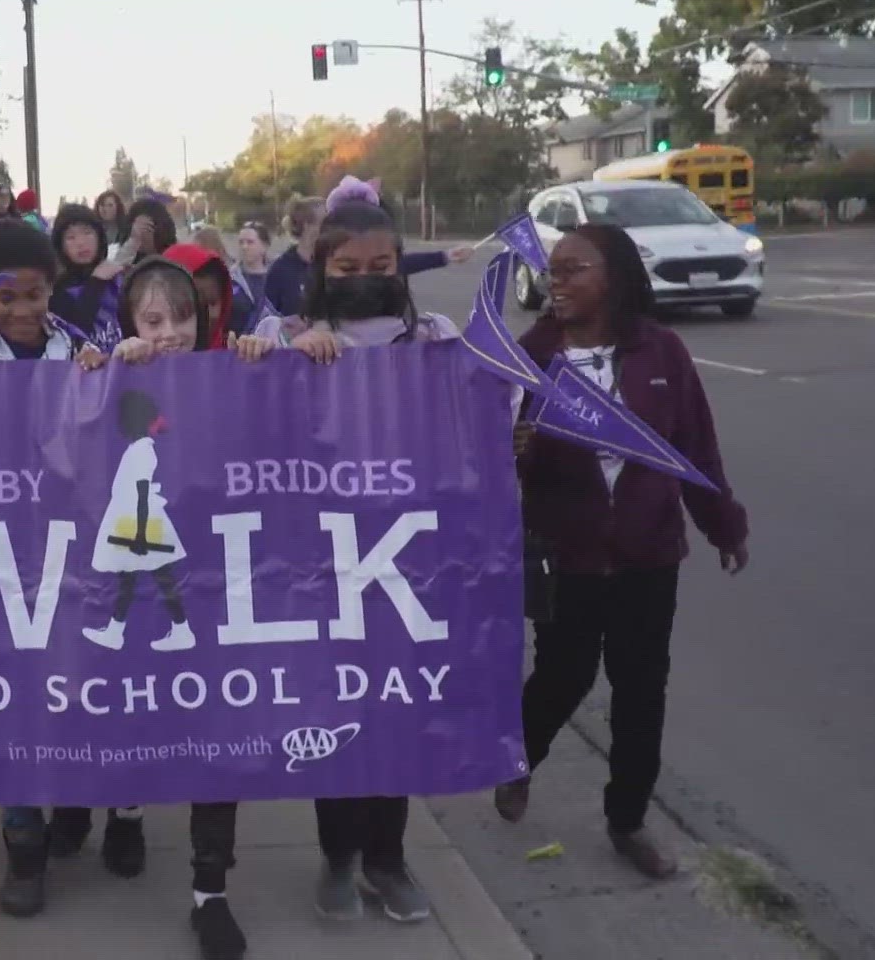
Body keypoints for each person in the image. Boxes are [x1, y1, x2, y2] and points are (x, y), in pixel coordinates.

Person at [493, 222, 750, 880]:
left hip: (648, 554)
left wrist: (723, 525)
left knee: (640, 690)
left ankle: (628, 820)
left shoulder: (660, 352)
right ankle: (517, 760)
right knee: (563, 675)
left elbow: (695, 446)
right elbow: (485, 456)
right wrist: (514, 451)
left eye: (573, 269)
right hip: (565, 554)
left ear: (614, 277)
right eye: (552, 270)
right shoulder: (531, 355)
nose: (556, 281)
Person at [250, 178, 461, 925]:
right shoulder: (282, 332)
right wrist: (280, 358)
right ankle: (338, 855)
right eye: (347, 269)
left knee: (397, 712)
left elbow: (477, 422)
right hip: (317, 566)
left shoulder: (433, 338)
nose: (365, 279)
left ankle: (386, 858)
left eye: (381, 267)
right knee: (332, 710)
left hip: (408, 567)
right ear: (320, 268)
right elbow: (241, 419)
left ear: (400, 266)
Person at [105, 256, 274, 960]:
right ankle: (126, 808)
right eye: (152, 319)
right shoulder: (114, 375)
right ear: (129, 322)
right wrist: (107, 369)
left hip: (216, 579)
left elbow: (277, 429)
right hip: (138, 560)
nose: (169, 332)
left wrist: (263, 361)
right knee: (132, 702)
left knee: (218, 727)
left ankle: (211, 889)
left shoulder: (231, 370)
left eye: (182, 316)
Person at [0, 221, 109, 919]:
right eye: (4, 297)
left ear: (52, 289)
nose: (20, 310)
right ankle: (23, 843)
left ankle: (72, 800)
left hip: (66, 547)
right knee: (11, 690)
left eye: (34, 295)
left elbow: (105, 432)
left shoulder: (79, 349)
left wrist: (104, 378)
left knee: (67, 684)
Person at [263, 189, 475, 318]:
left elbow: (401, 263)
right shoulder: (281, 271)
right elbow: (264, 321)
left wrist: (445, 256)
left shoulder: (427, 330)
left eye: (378, 267)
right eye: (347, 268)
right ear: (306, 226)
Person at [46, 204, 125, 349]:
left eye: (87, 232)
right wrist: (95, 283)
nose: (81, 243)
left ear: (99, 236)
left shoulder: (118, 278)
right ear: (61, 246)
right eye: (71, 237)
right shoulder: (57, 290)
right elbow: (73, 333)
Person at [121, 197, 179, 264]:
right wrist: (133, 242)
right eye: (135, 228)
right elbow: (117, 267)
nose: (139, 233)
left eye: (145, 227)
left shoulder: (174, 255)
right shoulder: (130, 252)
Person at [235, 221, 272, 304]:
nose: (244, 247)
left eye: (250, 242)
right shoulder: (230, 278)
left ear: (264, 246)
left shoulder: (276, 278)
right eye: (241, 242)